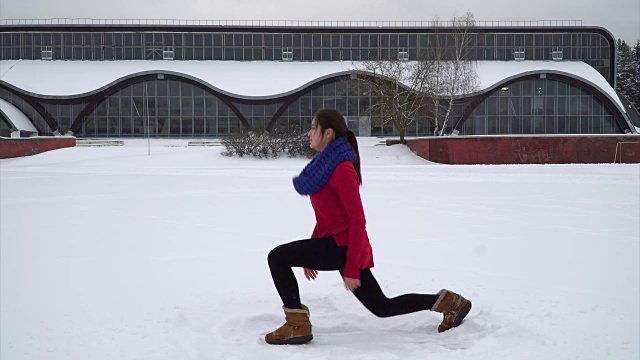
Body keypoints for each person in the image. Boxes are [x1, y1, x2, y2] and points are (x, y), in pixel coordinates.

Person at [265, 109, 471, 345]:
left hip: (344, 248)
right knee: (382, 307)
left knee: (277, 257)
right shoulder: (323, 167)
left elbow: (357, 220)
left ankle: (297, 325)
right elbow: (328, 217)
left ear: (328, 133)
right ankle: (449, 303)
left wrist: (351, 266)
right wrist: (312, 251)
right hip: (338, 245)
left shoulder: (341, 170)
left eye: (313, 127)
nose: (309, 132)